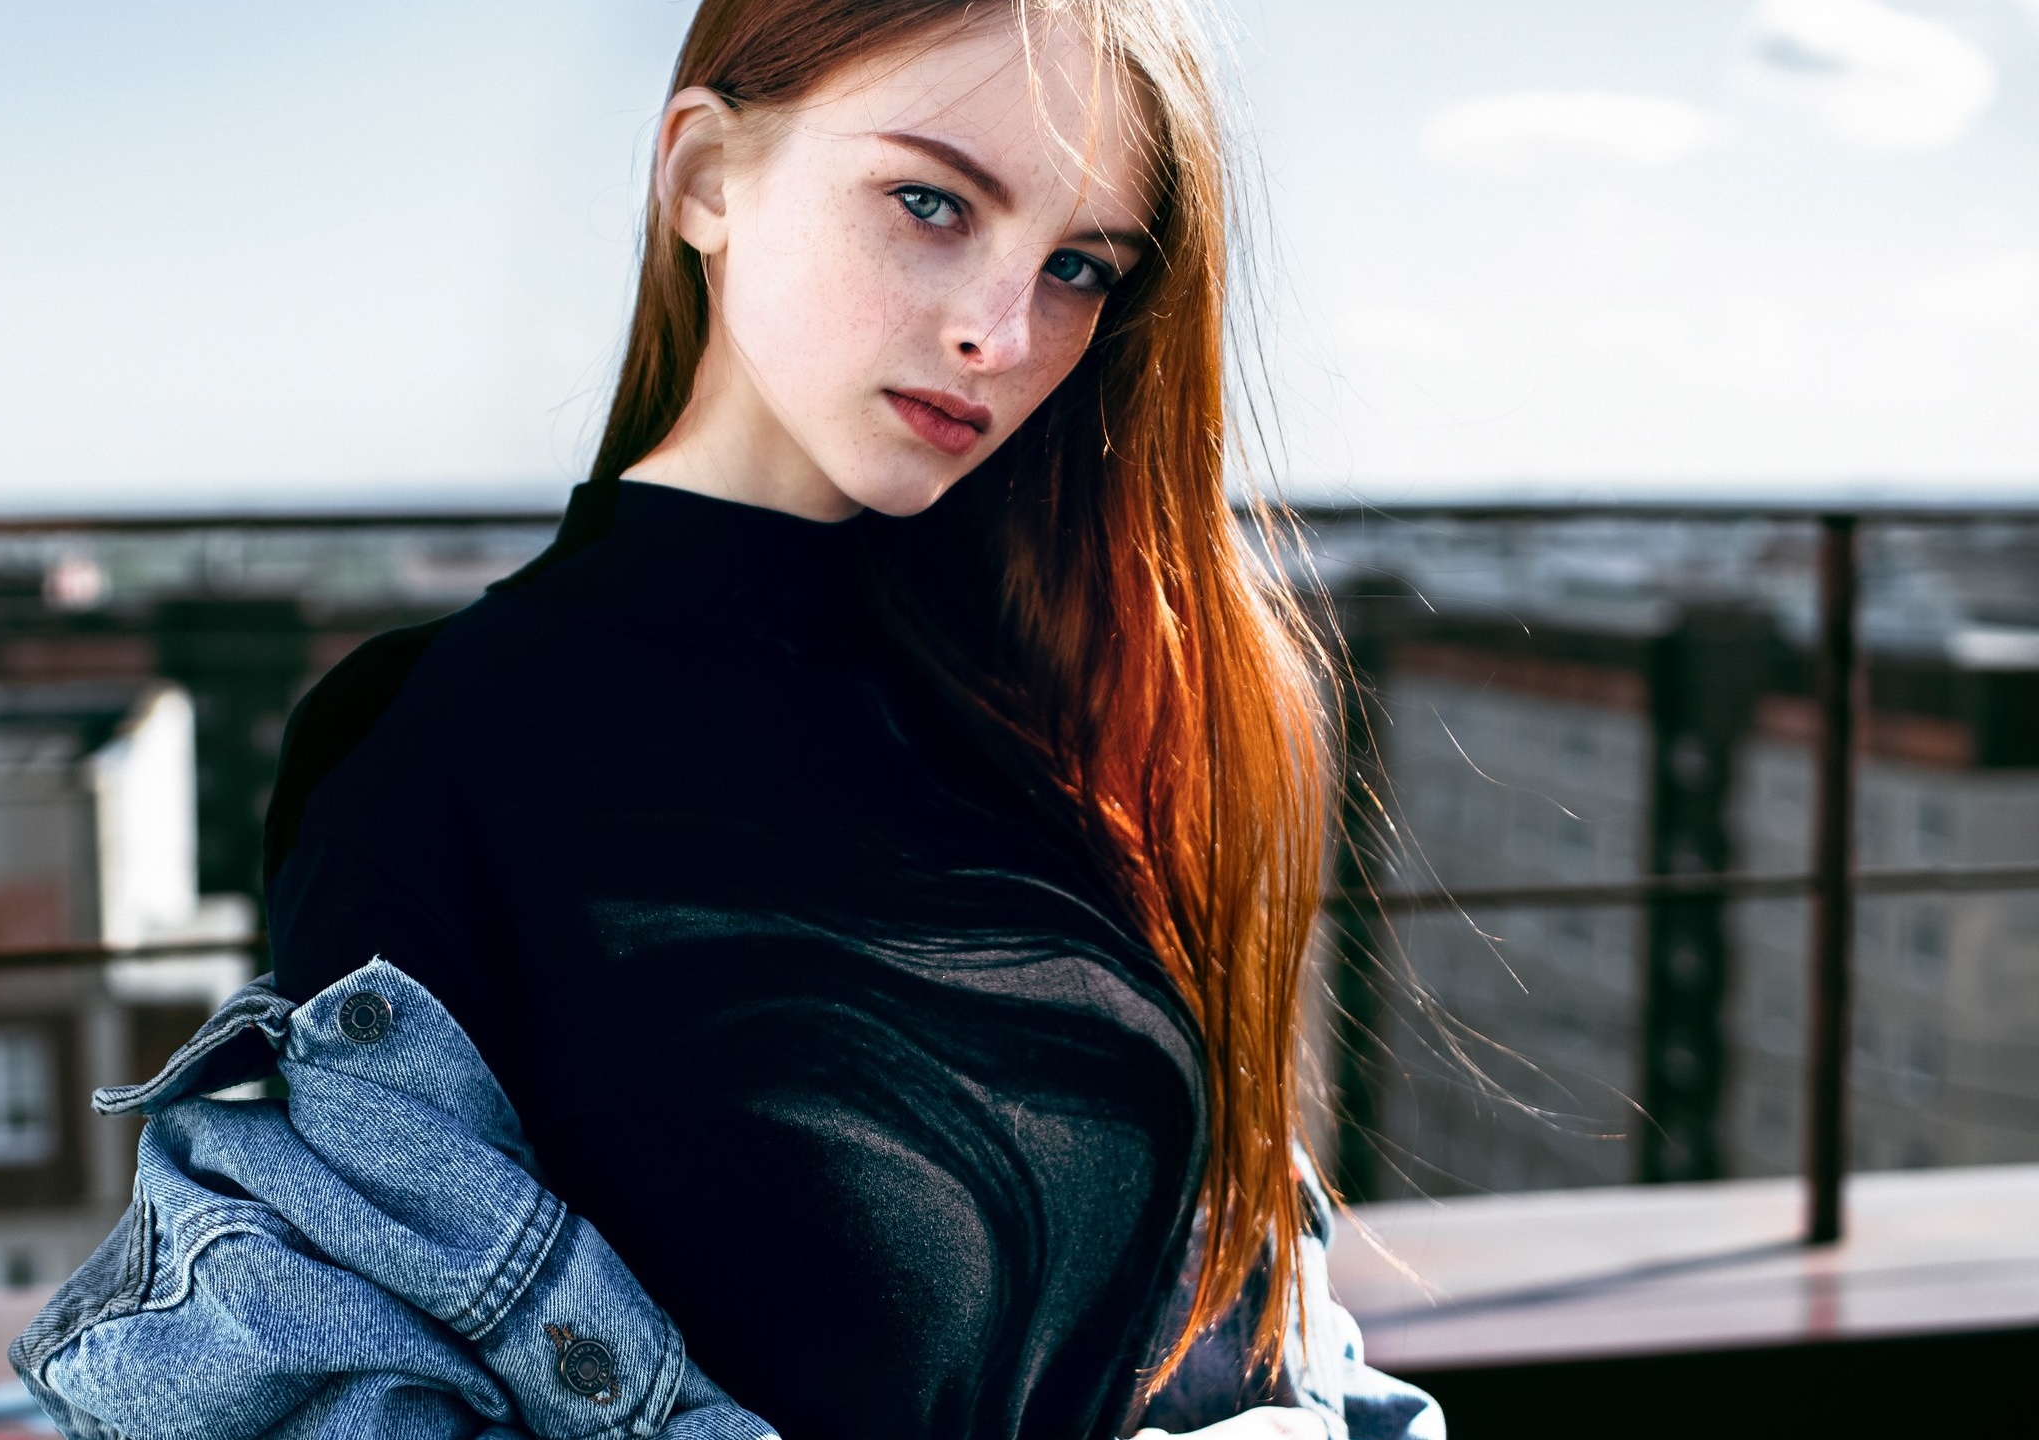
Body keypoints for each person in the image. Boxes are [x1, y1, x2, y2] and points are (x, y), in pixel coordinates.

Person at [265, 3, 1439, 1438]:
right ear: (704, 179)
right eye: (930, 203)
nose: (998, 335)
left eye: (1079, 267)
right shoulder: (426, 751)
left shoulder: (1060, 700)